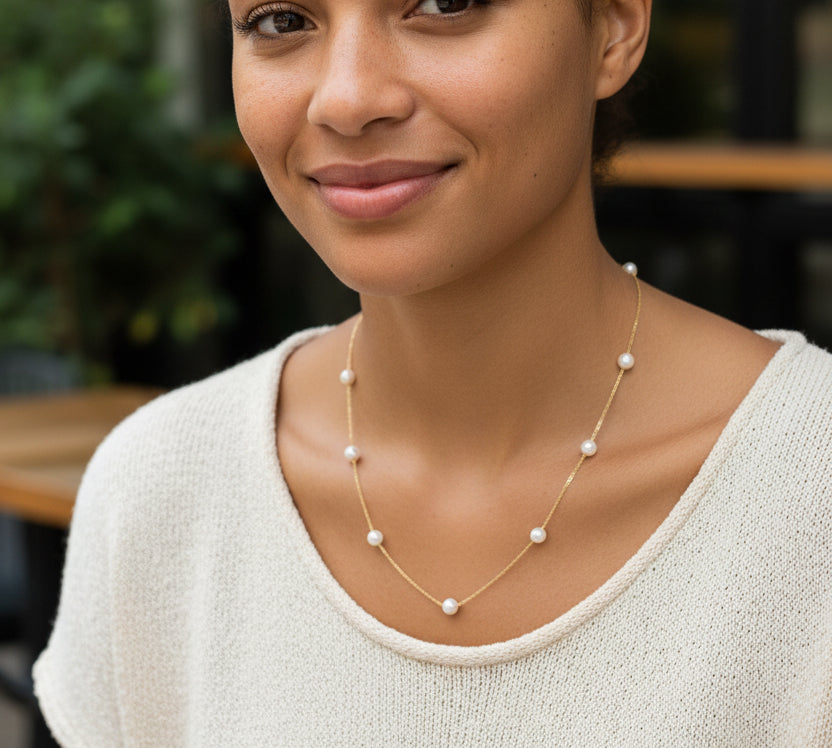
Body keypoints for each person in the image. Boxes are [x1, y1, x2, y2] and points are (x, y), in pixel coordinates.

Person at [33, 0, 832, 744]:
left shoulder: (808, 497)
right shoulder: (164, 492)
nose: (345, 99)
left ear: (615, 27)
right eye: (281, 19)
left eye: (445, 2)